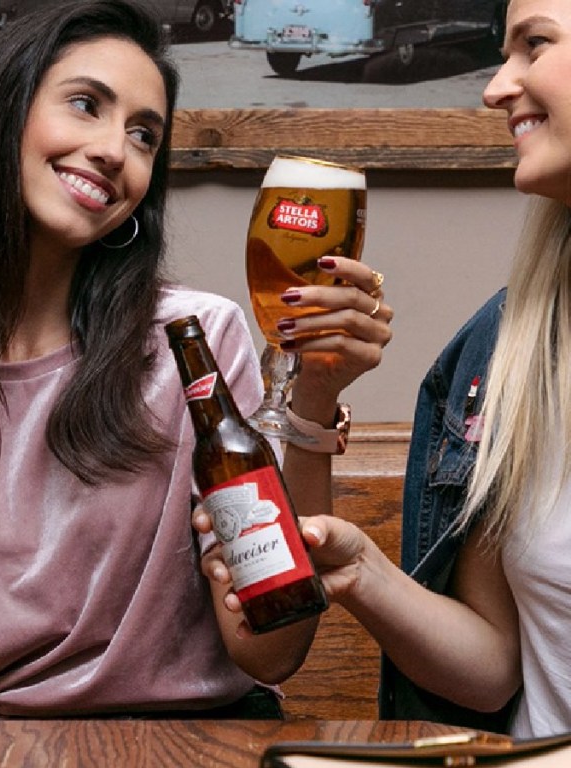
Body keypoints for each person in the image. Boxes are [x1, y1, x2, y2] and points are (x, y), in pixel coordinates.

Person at [0, 0, 393, 722]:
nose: (115, 150)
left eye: (144, 135)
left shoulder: (194, 341)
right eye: (85, 105)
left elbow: (271, 652)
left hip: (197, 745)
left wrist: (314, 404)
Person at [233, 0, 571, 739]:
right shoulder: (508, 348)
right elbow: (492, 672)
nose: (494, 88)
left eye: (534, 45)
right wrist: (360, 570)